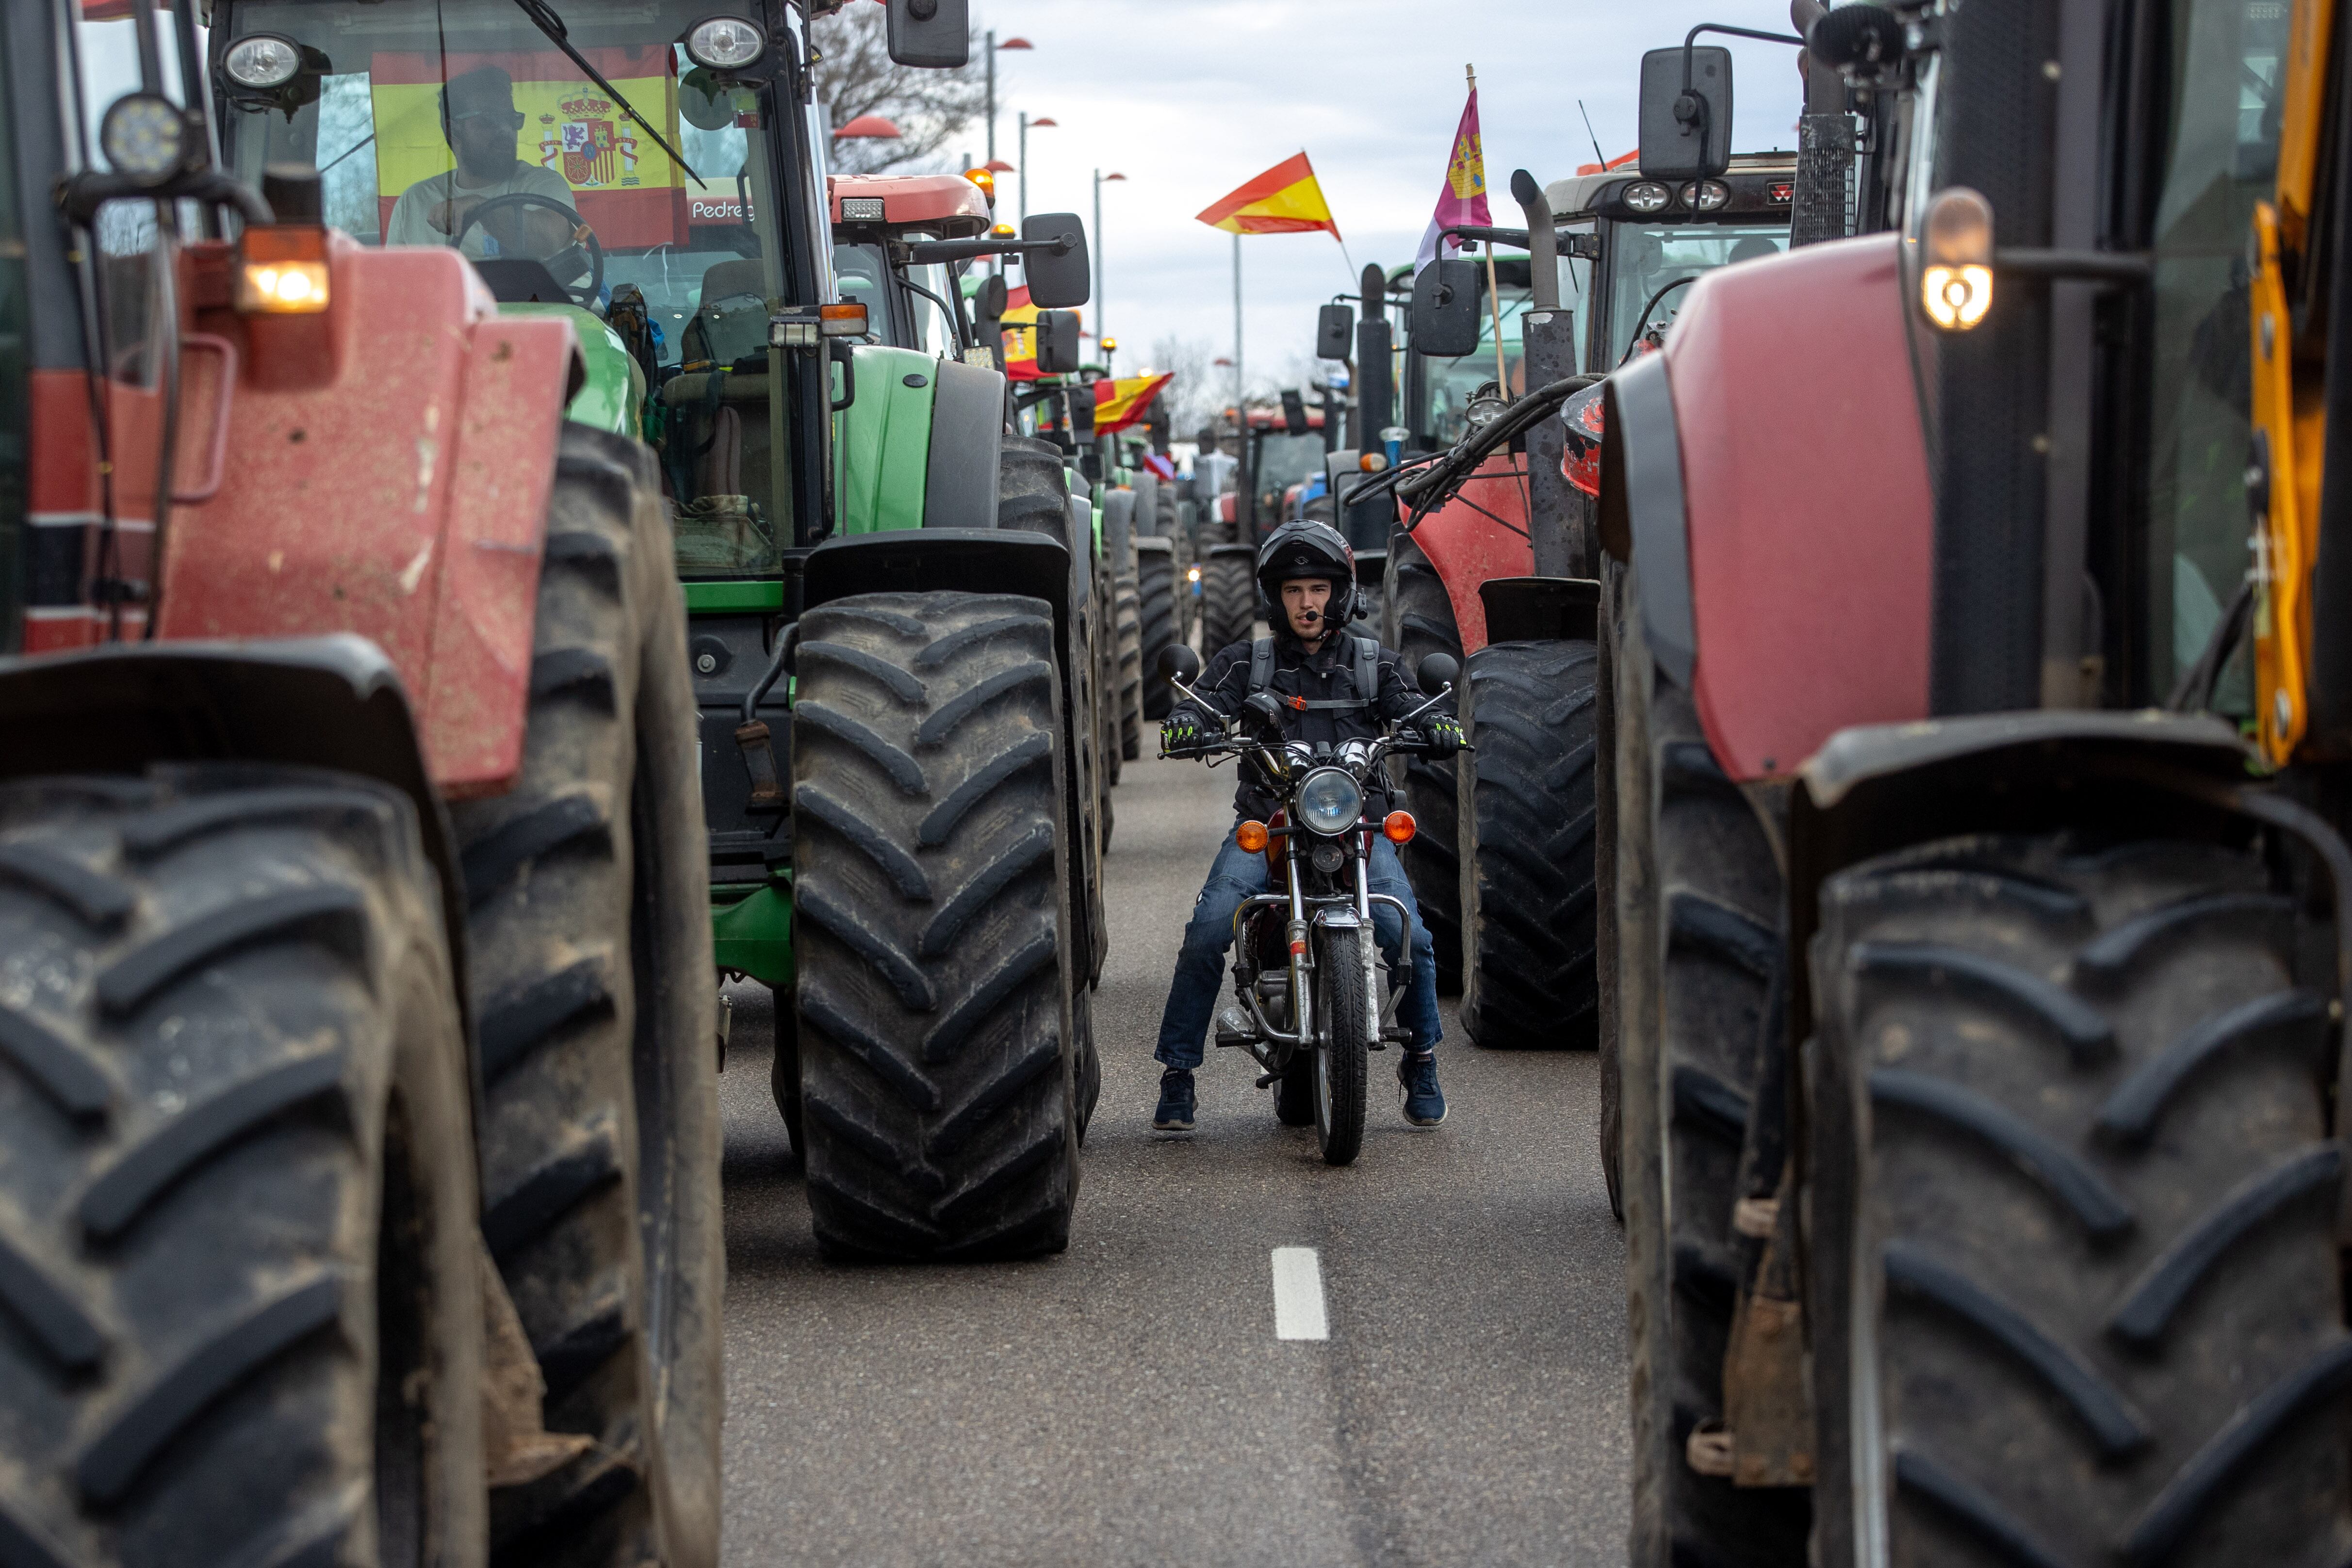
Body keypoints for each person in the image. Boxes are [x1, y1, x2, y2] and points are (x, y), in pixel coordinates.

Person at [1150, 519, 1464, 1134]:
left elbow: (1414, 705)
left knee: (1411, 933)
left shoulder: (1374, 663)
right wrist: (1188, 721)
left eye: (1318, 587)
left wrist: (1440, 722)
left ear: (1340, 593)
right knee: (1214, 921)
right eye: (1294, 590)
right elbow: (1202, 701)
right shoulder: (1250, 661)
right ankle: (1178, 1073)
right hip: (1270, 824)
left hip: (1357, 828)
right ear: (1276, 597)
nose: (1307, 602)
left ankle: (1422, 1059)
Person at [385, 65, 575, 258]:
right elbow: (393, 282)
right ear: (455, 131)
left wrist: (483, 209)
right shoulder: (415, 202)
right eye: (489, 120)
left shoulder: (543, 183)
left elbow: (551, 239)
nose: (505, 130)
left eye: (511, 119)